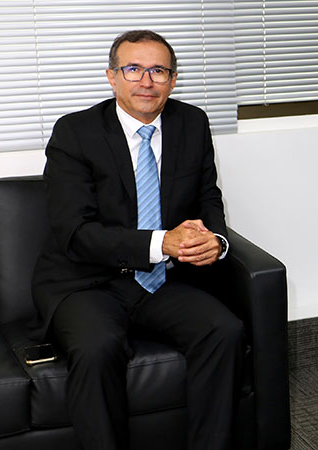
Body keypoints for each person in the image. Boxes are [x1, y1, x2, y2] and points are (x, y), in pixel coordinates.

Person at [31, 30, 243, 450]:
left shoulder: (192, 123)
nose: (146, 81)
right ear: (112, 77)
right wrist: (162, 242)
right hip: (86, 282)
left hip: (163, 282)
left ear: (173, 79)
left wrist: (215, 241)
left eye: (159, 71)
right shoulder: (75, 132)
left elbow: (207, 198)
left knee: (225, 330)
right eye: (133, 69)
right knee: (97, 349)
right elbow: (75, 233)